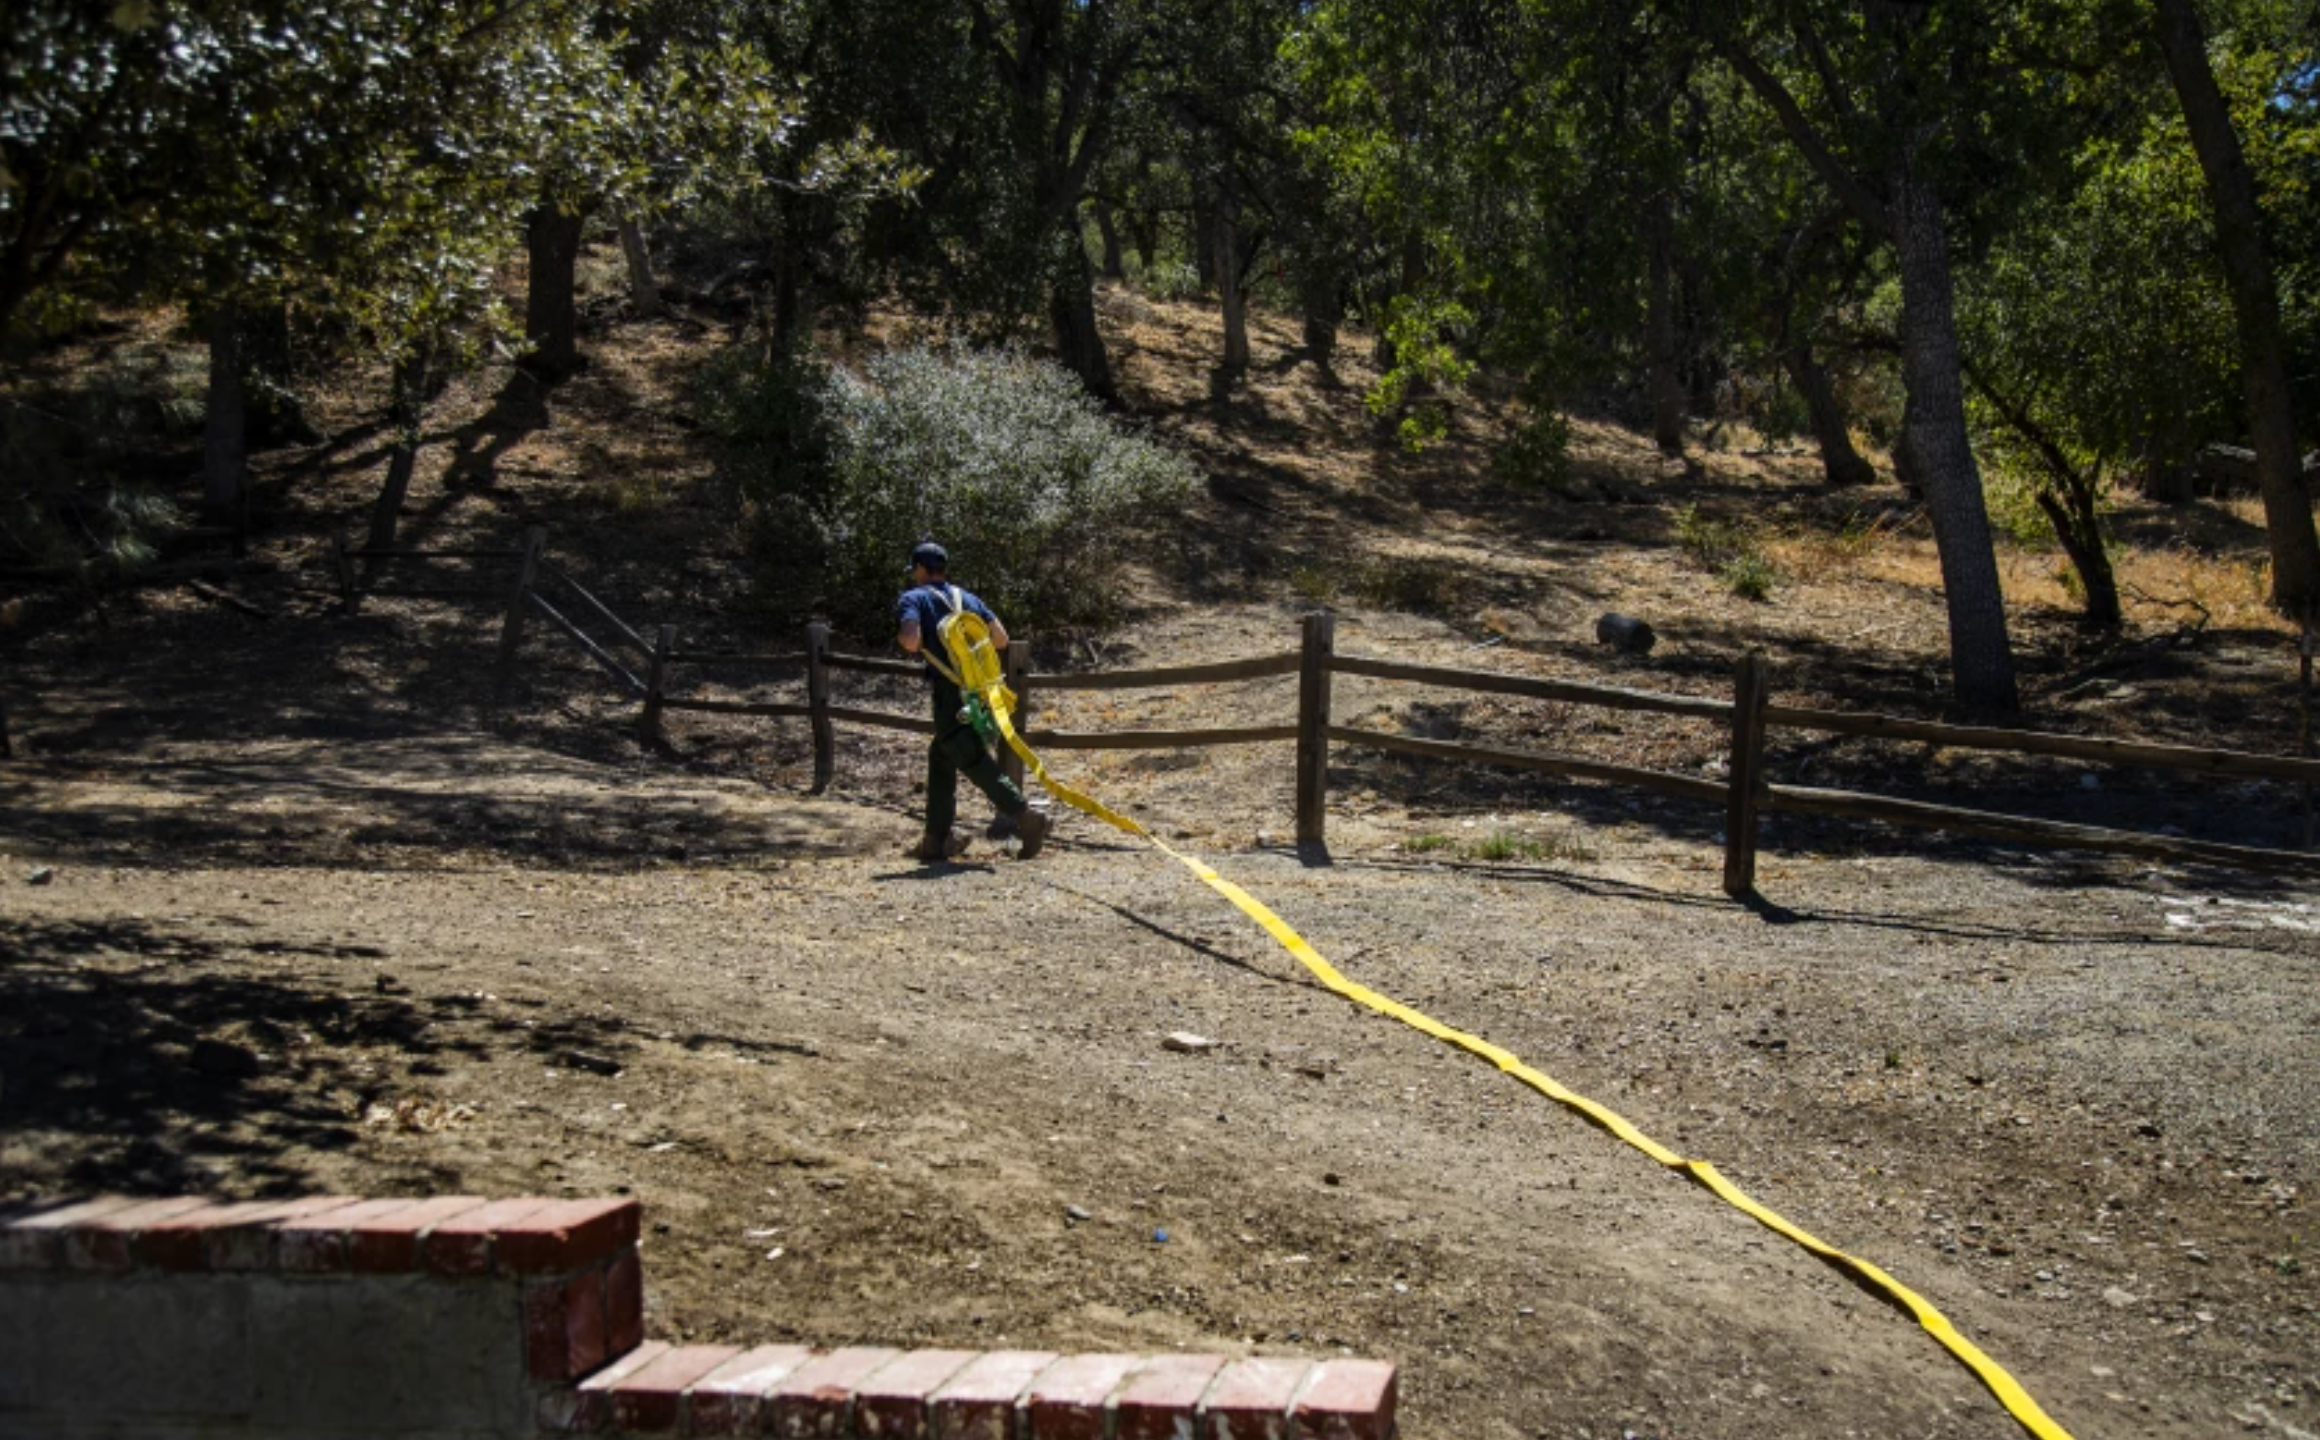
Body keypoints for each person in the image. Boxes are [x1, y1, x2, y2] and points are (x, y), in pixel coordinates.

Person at [895, 540, 1054, 863]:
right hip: (977, 691)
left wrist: (907, 636)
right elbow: (1000, 639)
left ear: (922, 569)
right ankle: (935, 839)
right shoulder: (966, 598)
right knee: (941, 754)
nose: (914, 575)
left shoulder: (913, 598)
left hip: (948, 693)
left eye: (915, 569)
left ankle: (1026, 817)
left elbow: (911, 642)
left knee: (969, 757)